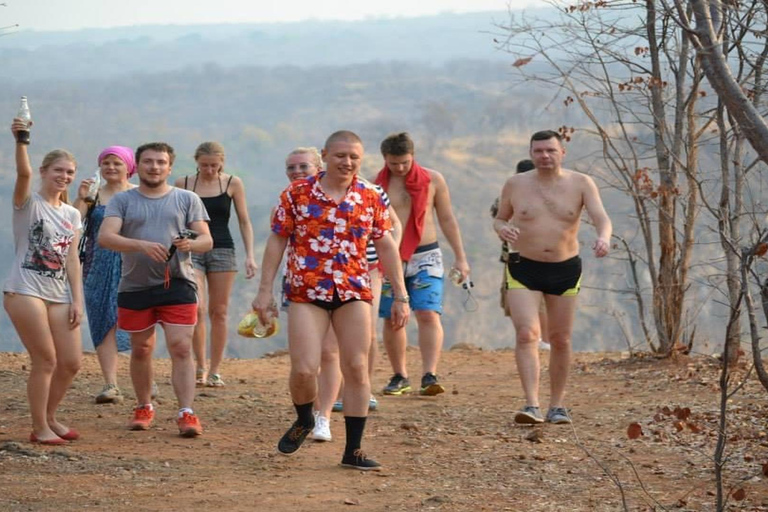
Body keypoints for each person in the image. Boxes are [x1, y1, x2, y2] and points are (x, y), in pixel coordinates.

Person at [252, 130, 409, 470]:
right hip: (307, 289)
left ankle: (353, 450)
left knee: (355, 366)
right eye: (340, 155)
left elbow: (385, 244)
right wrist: (264, 290)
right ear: (325, 156)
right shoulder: (297, 193)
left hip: (353, 289)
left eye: (354, 156)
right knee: (305, 368)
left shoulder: (370, 195)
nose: (347, 162)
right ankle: (305, 418)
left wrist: (400, 294)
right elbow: (278, 239)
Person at [493, 130, 612, 425]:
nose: (544, 156)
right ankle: (531, 404)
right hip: (523, 266)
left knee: (560, 339)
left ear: (562, 153)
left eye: (550, 150)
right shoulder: (516, 184)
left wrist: (604, 237)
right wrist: (501, 229)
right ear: (531, 153)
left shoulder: (581, 183)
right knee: (526, 334)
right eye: (538, 151)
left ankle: (557, 405)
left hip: (565, 268)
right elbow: (500, 217)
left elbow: (601, 217)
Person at [99, 142, 213, 437]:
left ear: (170, 167)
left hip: (178, 281)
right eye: (148, 162)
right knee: (142, 348)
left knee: (181, 347)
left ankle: (186, 411)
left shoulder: (187, 198)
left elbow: (206, 240)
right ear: (139, 165)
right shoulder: (123, 200)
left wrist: (191, 244)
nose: (155, 167)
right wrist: (140, 244)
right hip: (135, 285)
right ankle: (143, 405)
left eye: (161, 162)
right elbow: (106, 237)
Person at [4, 118, 83, 445]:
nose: (64, 177)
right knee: (45, 359)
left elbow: (70, 258)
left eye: (69, 173)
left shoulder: (72, 214)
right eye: (58, 171)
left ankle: (50, 416)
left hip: (57, 292)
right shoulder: (28, 203)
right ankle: (39, 428)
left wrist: (77, 299)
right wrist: (22, 139)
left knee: (71, 363)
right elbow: (22, 174)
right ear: (44, 171)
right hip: (24, 289)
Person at [375, 132, 470, 396]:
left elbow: (447, 218)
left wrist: (460, 257)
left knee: (428, 312)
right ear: (385, 159)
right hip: (389, 256)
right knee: (393, 317)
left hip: (426, 254)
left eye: (405, 162)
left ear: (413, 156)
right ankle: (399, 375)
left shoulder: (433, 180)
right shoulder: (376, 184)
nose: (400, 168)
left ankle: (430, 374)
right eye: (394, 163)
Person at [175, 142, 257, 388]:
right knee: (197, 308)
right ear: (196, 162)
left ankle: (216, 369)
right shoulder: (183, 184)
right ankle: (199, 366)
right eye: (204, 165)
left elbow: (244, 221)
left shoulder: (232, 183)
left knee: (219, 312)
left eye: (214, 165)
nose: (209, 170)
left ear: (222, 162)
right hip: (193, 248)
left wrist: (250, 255)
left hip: (223, 249)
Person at [74, 146, 137, 404]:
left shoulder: (139, 194)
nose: (111, 167)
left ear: (129, 167)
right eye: (106, 163)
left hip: (133, 265)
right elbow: (71, 224)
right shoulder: (93, 195)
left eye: (117, 163)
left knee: (137, 321)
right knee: (102, 321)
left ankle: (143, 377)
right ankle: (111, 384)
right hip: (96, 266)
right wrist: (80, 199)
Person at [490, 159, 550, 351]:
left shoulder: (547, 197)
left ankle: (544, 342)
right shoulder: (510, 195)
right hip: (514, 257)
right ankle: (534, 340)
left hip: (539, 257)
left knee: (540, 303)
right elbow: (498, 217)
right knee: (516, 303)